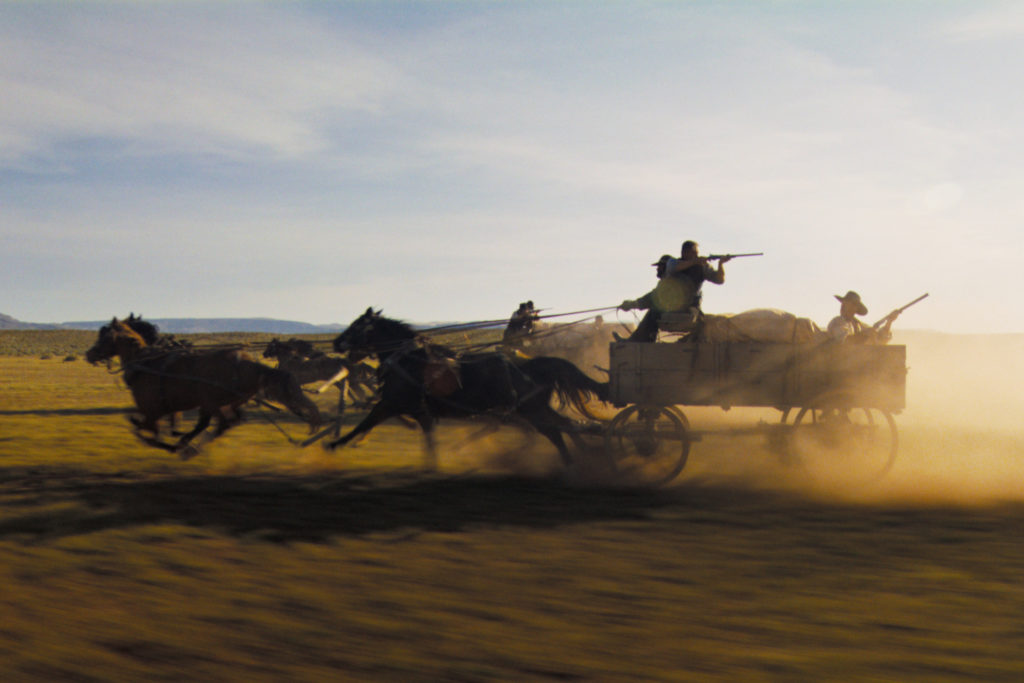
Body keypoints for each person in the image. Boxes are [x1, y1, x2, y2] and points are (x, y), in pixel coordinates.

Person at [619, 240, 730, 342]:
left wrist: (720, 264)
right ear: (685, 253)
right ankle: (639, 341)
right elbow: (671, 269)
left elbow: (720, 280)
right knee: (654, 311)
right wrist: (695, 261)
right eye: (694, 253)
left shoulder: (701, 267)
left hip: (690, 310)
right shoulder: (674, 265)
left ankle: (636, 342)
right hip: (677, 309)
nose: (696, 255)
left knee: (655, 310)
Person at [827, 291, 897, 344]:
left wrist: (889, 321)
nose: (843, 306)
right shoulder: (837, 322)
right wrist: (865, 335)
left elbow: (881, 339)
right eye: (843, 304)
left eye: (848, 304)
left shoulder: (859, 325)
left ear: (856, 308)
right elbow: (845, 340)